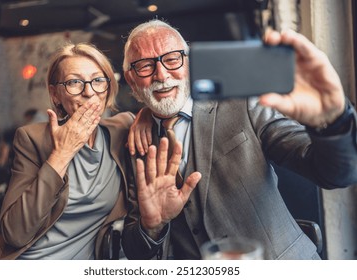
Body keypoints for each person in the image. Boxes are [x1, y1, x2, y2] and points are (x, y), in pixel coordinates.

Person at [121, 19, 357, 260]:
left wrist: (334, 122)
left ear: (189, 63)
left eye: (172, 59)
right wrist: (151, 225)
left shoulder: (243, 104)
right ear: (131, 80)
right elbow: (135, 253)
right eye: (145, 66)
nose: (161, 74)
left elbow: (336, 174)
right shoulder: (134, 145)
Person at [0, 42, 134, 259]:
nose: (89, 92)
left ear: (107, 87)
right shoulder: (32, 138)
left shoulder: (123, 128)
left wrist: (145, 117)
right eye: (74, 82)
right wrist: (62, 154)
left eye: (98, 80)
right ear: (56, 94)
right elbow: (14, 233)